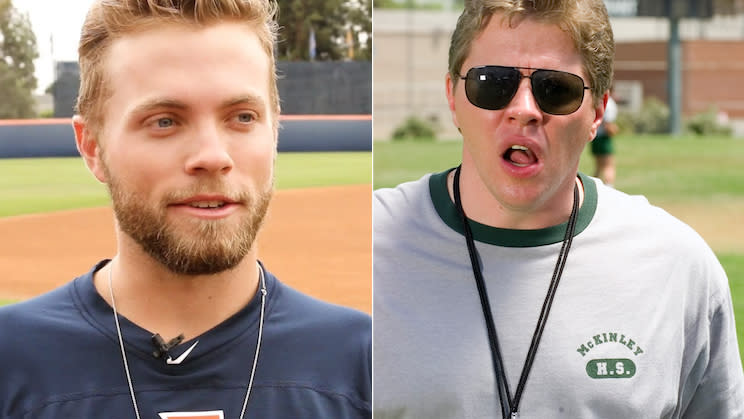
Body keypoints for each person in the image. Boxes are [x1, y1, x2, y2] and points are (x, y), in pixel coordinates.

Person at [373, 0, 743, 418]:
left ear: (597, 113)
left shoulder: (680, 269)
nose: (523, 110)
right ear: (453, 97)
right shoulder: (366, 246)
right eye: (492, 83)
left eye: (556, 89)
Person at [0, 1, 370, 418]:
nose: (212, 156)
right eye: (165, 121)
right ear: (92, 147)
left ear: (275, 130)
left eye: (243, 117)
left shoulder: (365, 364)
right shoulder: (10, 358)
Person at [591, 92, 619, 186]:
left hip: (595, 136)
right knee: (609, 166)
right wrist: (615, 130)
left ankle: (594, 187)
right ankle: (609, 188)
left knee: (598, 166)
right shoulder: (609, 104)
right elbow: (608, 125)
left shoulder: (598, 101)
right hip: (604, 138)